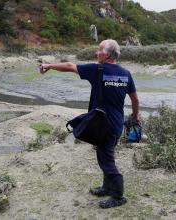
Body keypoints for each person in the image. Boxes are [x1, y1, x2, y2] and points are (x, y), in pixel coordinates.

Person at [40, 39, 140, 208]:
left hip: (102, 124)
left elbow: (71, 66)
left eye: (99, 50)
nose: (96, 52)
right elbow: (135, 99)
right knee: (105, 153)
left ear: (107, 54)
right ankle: (107, 187)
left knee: (106, 160)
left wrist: (49, 65)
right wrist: (135, 117)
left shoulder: (97, 70)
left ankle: (118, 196)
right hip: (116, 124)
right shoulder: (125, 73)